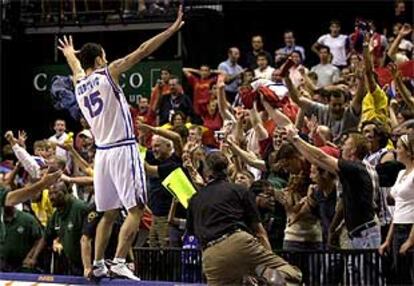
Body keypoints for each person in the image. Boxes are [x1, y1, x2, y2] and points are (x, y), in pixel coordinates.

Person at [56, 5, 184, 280]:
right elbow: (142, 50)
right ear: (101, 58)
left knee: (109, 212)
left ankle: (99, 262)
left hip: (101, 154)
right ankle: (119, 261)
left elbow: (78, 69)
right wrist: (170, 30)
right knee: (137, 209)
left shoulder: (79, 84)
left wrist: (70, 55)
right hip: (123, 148)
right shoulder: (109, 72)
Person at [186, 151, 302, 285]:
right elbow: (260, 232)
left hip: (211, 254)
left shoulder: (195, 199)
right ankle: (266, 274)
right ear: (228, 169)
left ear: (206, 172)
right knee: (293, 275)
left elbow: (194, 235)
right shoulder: (239, 190)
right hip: (238, 242)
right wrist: (266, 259)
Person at [29, 181, 89, 275]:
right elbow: (46, 237)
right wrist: (34, 258)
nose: (51, 197)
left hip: (89, 264)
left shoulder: (81, 208)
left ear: (66, 193)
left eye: (56, 193)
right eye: (50, 194)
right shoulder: (56, 215)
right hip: (73, 265)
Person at [379, 133, 414, 285]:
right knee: (398, 276)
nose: (395, 151)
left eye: (399, 148)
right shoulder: (400, 174)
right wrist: (388, 239)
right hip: (398, 228)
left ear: (409, 151)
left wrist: (411, 240)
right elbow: (398, 209)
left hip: (410, 228)